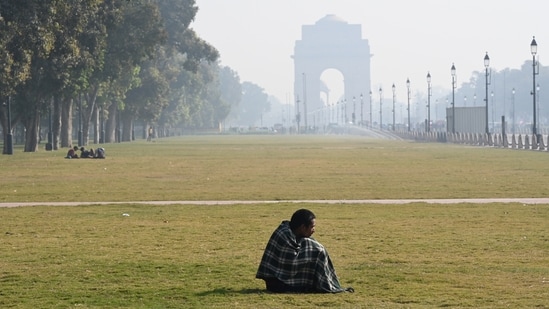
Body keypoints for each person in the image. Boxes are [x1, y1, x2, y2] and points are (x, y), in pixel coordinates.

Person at [256, 209, 353, 293]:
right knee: (318, 251)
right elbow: (290, 262)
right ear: (303, 227)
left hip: (276, 283)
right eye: (312, 227)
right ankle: (322, 284)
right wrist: (318, 250)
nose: (314, 230)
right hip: (278, 283)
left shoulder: (293, 233)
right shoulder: (283, 235)